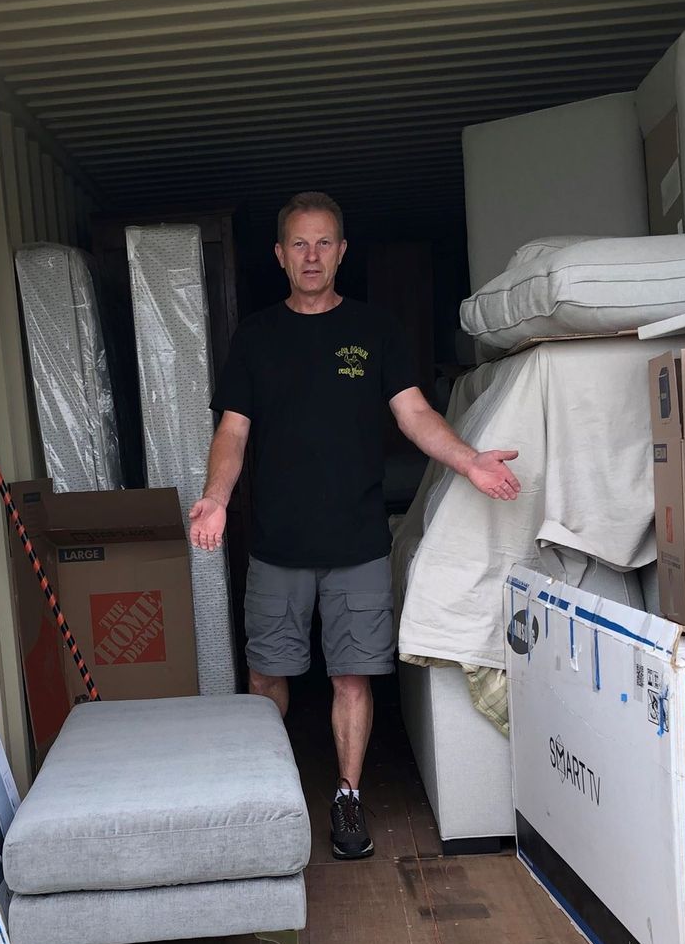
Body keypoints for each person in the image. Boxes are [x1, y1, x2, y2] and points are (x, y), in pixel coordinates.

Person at [190, 191, 520, 860]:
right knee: (265, 679)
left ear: (341, 251)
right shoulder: (256, 336)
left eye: (325, 243)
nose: (312, 256)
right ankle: (269, 795)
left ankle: (346, 796)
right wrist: (216, 497)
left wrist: (467, 459)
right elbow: (232, 430)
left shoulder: (375, 330)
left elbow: (415, 413)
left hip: (358, 545)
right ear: (280, 256)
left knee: (351, 677)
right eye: (299, 245)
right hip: (278, 546)